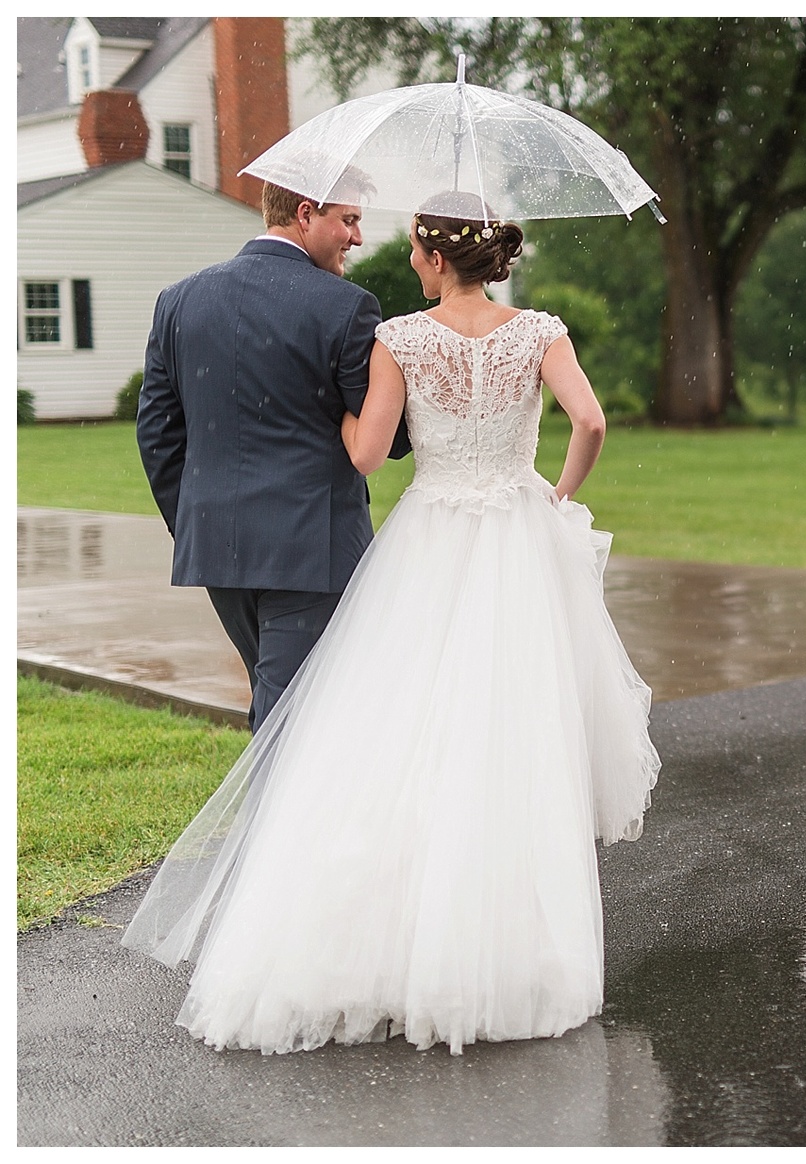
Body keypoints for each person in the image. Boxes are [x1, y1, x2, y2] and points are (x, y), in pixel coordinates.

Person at [122, 191, 660, 1055]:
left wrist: (312, 428)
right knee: (511, 731)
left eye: (410, 244)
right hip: (512, 538)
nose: (385, 248)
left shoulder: (389, 335)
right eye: (352, 220)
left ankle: (321, 915)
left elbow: (360, 450)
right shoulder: (534, 329)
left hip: (395, 539)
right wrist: (555, 493)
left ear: (437, 258)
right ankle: (496, 939)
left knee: (371, 725)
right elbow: (590, 420)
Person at [136, 176, 409, 728]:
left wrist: (198, 517)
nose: (357, 237)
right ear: (305, 214)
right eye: (349, 220)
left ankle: (297, 814)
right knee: (292, 716)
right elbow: (393, 437)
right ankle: (269, 818)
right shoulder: (347, 308)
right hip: (312, 548)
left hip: (217, 545)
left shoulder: (180, 299)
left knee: (281, 698)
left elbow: (157, 435)